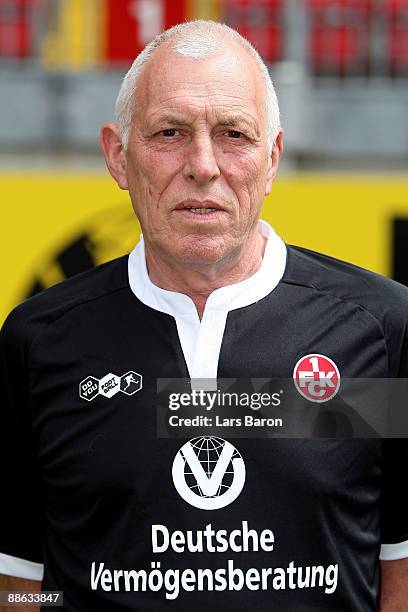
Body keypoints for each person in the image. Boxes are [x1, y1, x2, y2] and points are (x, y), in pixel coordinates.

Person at [0, 19, 407, 611]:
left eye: (233, 134)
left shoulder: (378, 329)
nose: (203, 164)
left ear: (272, 158)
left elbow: (398, 567)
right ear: (118, 155)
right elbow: (20, 581)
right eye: (169, 132)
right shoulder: (40, 342)